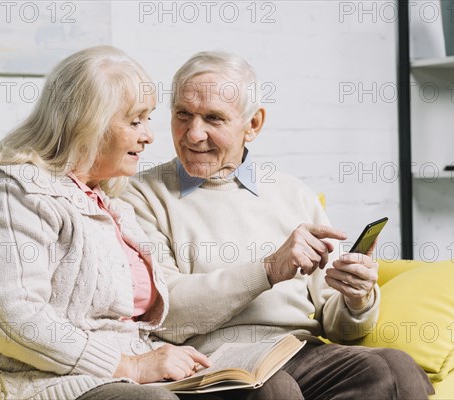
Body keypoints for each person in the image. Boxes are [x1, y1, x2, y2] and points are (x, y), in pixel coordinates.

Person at [122, 51, 435, 399]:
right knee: (274, 390)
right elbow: (167, 312)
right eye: (183, 114)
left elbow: (338, 325)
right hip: (209, 362)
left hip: (299, 351)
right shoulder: (140, 196)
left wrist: (356, 300)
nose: (194, 134)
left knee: (394, 368)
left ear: (252, 124)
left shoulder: (293, 193)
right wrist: (269, 269)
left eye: (213, 118)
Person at [0, 46, 211, 400]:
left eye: (147, 119)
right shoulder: (17, 194)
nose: (148, 136)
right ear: (87, 124)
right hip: (32, 379)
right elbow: (16, 319)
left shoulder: (111, 204)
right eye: (135, 121)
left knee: (264, 389)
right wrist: (132, 367)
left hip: (120, 375)